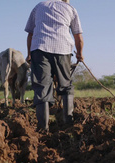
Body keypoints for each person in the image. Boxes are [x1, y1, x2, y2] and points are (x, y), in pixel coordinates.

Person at [25, 0, 84, 132]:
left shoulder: (39, 6)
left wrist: (29, 54)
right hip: (63, 50)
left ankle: (43, 129)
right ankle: (68, 123)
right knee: (66, 85)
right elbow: (78, 37)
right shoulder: (70, 9)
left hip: (40, 49)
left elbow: (30, 34)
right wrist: (79, 54)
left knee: (42, 88)